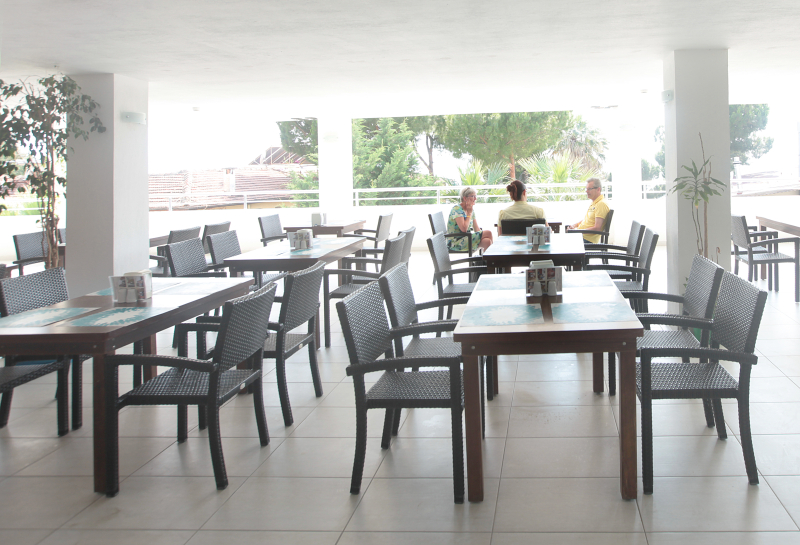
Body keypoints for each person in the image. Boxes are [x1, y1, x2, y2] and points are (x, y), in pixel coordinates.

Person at [446, 186, 493, 254]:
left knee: (487, 241)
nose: (475, 199)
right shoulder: (457, 209)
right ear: (465, 198)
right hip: (455, 243)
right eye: (473, 196)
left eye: (475, 196)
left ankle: (488, 260)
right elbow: (464, 229)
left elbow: (476, 229)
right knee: (488, 233)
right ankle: (495, 259)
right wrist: (469, 214)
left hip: (466, 238)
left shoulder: (470, 210)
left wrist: (481, 235)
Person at [566, 177, 610, 243]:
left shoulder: (601, 204)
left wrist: (577, 231)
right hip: (582, 236)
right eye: (586, 189)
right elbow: (587, 220)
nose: (586, 191)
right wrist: (575, 225)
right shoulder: (594, 202)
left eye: (589, 189)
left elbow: (597, 228)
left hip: (587, 240)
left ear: (598, 189)